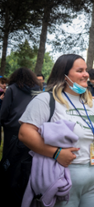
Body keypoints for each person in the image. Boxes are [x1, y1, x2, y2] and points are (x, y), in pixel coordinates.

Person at [18, 54, 94, 207]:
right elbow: (25, 133)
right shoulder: (46, 100)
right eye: (80, 70)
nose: (86, 74)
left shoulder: (91, 103)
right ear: (64, 74)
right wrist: (56, 153)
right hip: (63, 177)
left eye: (86, 70)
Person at [0, 68, 41, 207]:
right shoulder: (38, 90)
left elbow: (5, 110)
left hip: (13, 128)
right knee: (27, 157)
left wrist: (3, 122)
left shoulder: (11, 89)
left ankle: (7, 188)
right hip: (33, 128)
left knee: (9, 158)